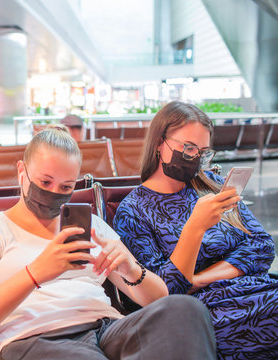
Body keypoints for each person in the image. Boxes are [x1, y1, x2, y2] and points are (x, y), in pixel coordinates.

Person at [0, 126, 216, 360]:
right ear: (22, 171)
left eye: (66, 187)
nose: (53, 193)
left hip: (106, 328)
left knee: (186, 310)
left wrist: (130, 270)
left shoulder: (90, 225)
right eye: (45, 181)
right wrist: (36, 273)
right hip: (34, 336)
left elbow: (157, 298)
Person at [113, 101, 278, 359]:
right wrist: (195, 227)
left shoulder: (212, 186)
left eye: (202, 152)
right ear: (159, 142)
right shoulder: (133, 211)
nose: (195, 158)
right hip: (206, 312)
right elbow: (164, 293)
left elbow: (262, 247)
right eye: (188, 148)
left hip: (254, 290)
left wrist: (197, 279)